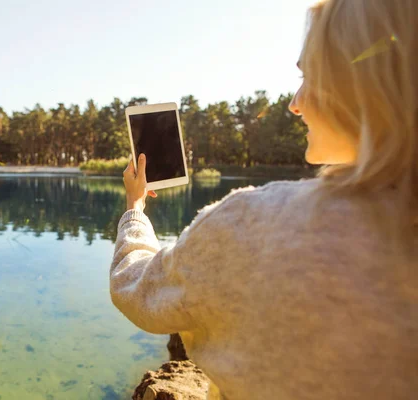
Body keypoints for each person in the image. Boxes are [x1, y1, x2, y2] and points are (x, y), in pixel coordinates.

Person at [110, 0, 418, 399]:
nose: (294, 102)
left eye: (310, 75)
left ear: (361, 81)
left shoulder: (253, 226)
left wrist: (134, 209)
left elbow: (135, 289)